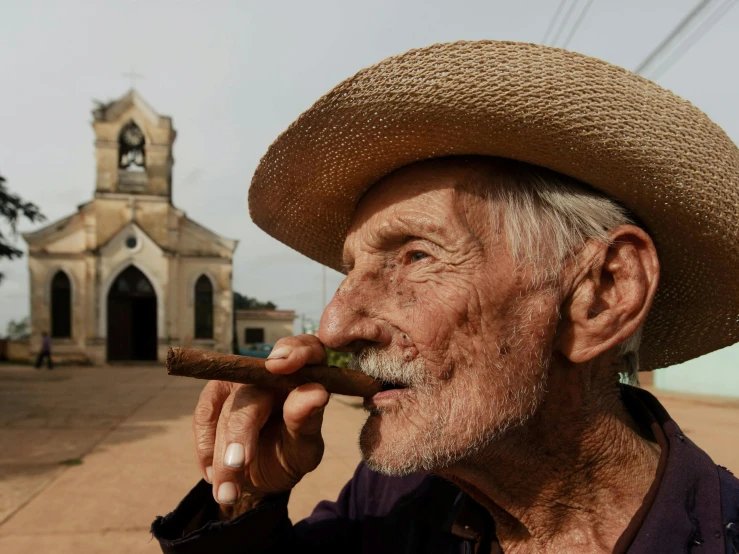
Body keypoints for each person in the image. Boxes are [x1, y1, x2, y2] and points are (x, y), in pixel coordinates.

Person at [151, 41, 739, 553]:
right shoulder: (396, 496)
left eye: (416, 255)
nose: (333, 328)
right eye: (351, 270)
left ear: (602, 292)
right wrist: (247, 504)